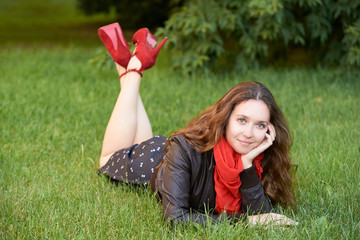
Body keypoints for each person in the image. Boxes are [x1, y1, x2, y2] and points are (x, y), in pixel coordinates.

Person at [97, 23, 298, 226]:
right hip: (150, 164)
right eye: (242, 120)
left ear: (269, 130)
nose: (248, 133)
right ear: (226, 118)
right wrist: (248, 222)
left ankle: (129, 65)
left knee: (138, 129)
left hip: (165, 151)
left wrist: (247, 167)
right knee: (106, 159)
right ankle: (134, 68)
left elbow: (263, 214)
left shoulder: (260, 156)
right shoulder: (185, 148)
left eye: (260, 125)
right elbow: (175, 218)